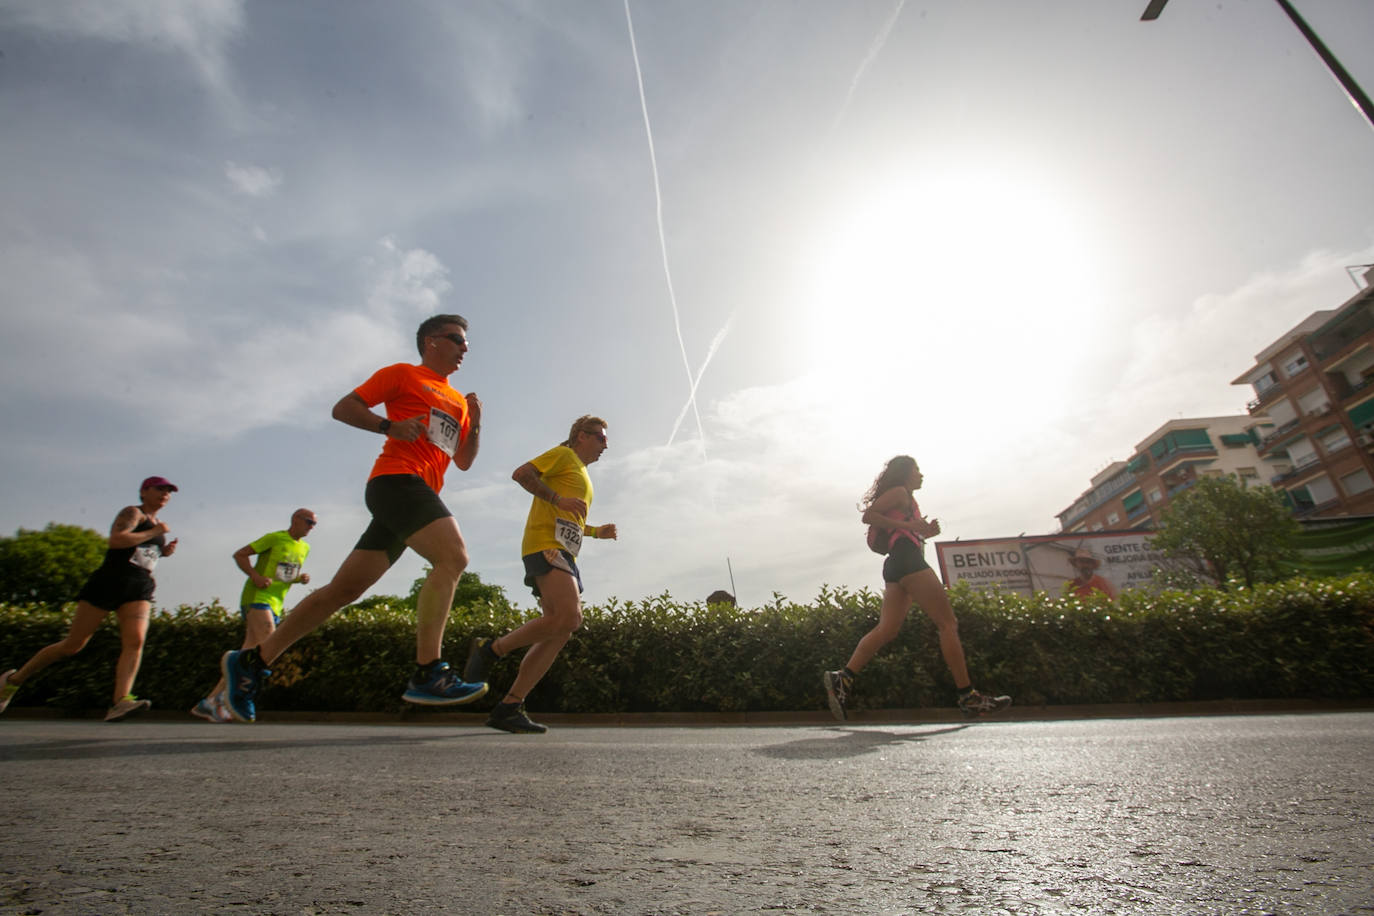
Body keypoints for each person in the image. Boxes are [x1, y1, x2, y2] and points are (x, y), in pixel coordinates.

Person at [219, 315, 488, 722]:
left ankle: (252, 662)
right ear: (431, 342)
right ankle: (428, 672)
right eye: (456, 340)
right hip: (397, 483)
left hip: (416, 497)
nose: (464, 348)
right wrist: (389, 426)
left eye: (466, 343)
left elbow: (464, 461)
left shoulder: (456, 401)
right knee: (454, 558)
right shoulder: (403, 374)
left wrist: (477, 421)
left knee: (342, 591)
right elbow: (344, 407)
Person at [823, 456, 1010, 721]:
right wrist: (911, 526)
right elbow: (869, 515)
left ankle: (844, 678)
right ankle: (969, 697)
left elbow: (906, 532)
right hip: (908, 560)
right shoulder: (899, 492)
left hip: (897, 563)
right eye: (917, 470)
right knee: (948, 624)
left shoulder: (910, 501)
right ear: (906, 474)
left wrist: (925, 532)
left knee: (886, 630)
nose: (921, 475)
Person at [463, 415, 617, 734]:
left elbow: (567, 518)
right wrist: (558, 498)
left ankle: (509, 706)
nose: (606, 445)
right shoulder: (564, 455)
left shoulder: (581, 474)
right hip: (546, 547)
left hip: (563, 551)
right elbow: (522, 474)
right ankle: (491, 649)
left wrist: (595, 532)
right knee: (570, 618)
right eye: (601, 438)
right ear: (580, 436)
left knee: (559, 630)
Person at [0, 477, 180, 722]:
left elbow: (143, 552)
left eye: (169, 491)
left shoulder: (157, 523)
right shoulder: (133, 513)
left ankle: (120, 701)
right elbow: (117, 541)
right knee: (73, 645)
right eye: (160, 489)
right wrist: (155, 532)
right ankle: (13, 681)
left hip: (139, 585)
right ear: (144, 491)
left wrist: (164, 551)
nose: (165, 494)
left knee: (136, 640)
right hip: (109, 582)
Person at [191, 508, 318, 722]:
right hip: (257, 597)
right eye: (308, 522)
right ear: (295, 519)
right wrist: (255, 576)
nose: (311, 527)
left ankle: (210, 702)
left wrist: (299, 579)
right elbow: (240, 554)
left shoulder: (304, 547)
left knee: (245, 658)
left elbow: (282, 574)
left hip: (276, 603)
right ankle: (232, 696)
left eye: (314, 524)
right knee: (269, 640)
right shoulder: (274, 538)